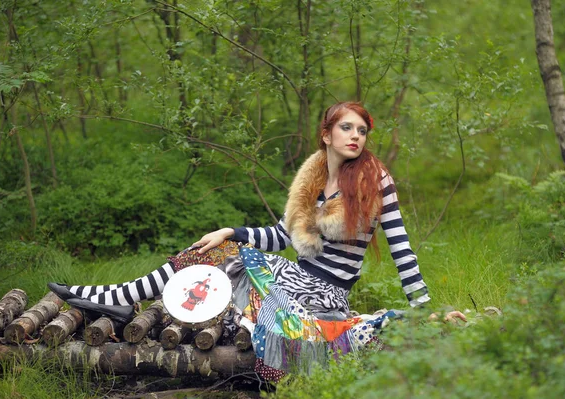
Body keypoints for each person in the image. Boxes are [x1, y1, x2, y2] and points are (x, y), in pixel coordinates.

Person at [49, 102, 465, 380]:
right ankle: (119, 298)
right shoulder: (314, 179)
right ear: (326, 134)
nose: (356, 136)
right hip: (290, 276)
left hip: (324, 296)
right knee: (213, 251)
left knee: (276, 332)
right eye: (346, 128)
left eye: (362, 130)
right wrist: (232, 232)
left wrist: (428, 310)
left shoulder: (376, 181)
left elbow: (402, 250)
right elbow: (284, 235)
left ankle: (130, 301)